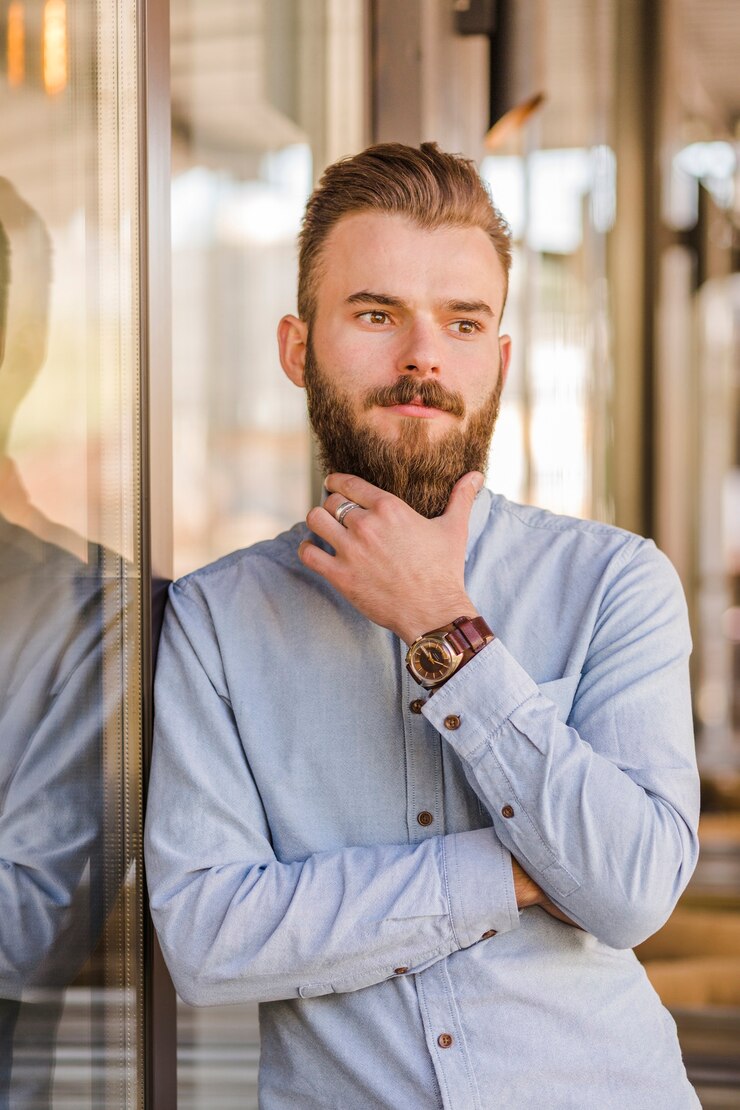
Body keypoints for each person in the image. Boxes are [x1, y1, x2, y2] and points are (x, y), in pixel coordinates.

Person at [145, 142, 701, 1108]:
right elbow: (208, 941)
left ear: (500, 358)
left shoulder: (617, 582)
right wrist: (516, 871)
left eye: (463, 321)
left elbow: (633, 891)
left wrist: (443, 626)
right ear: (297, 347)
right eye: (375, 314)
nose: (422, 358)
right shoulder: (214, 621)